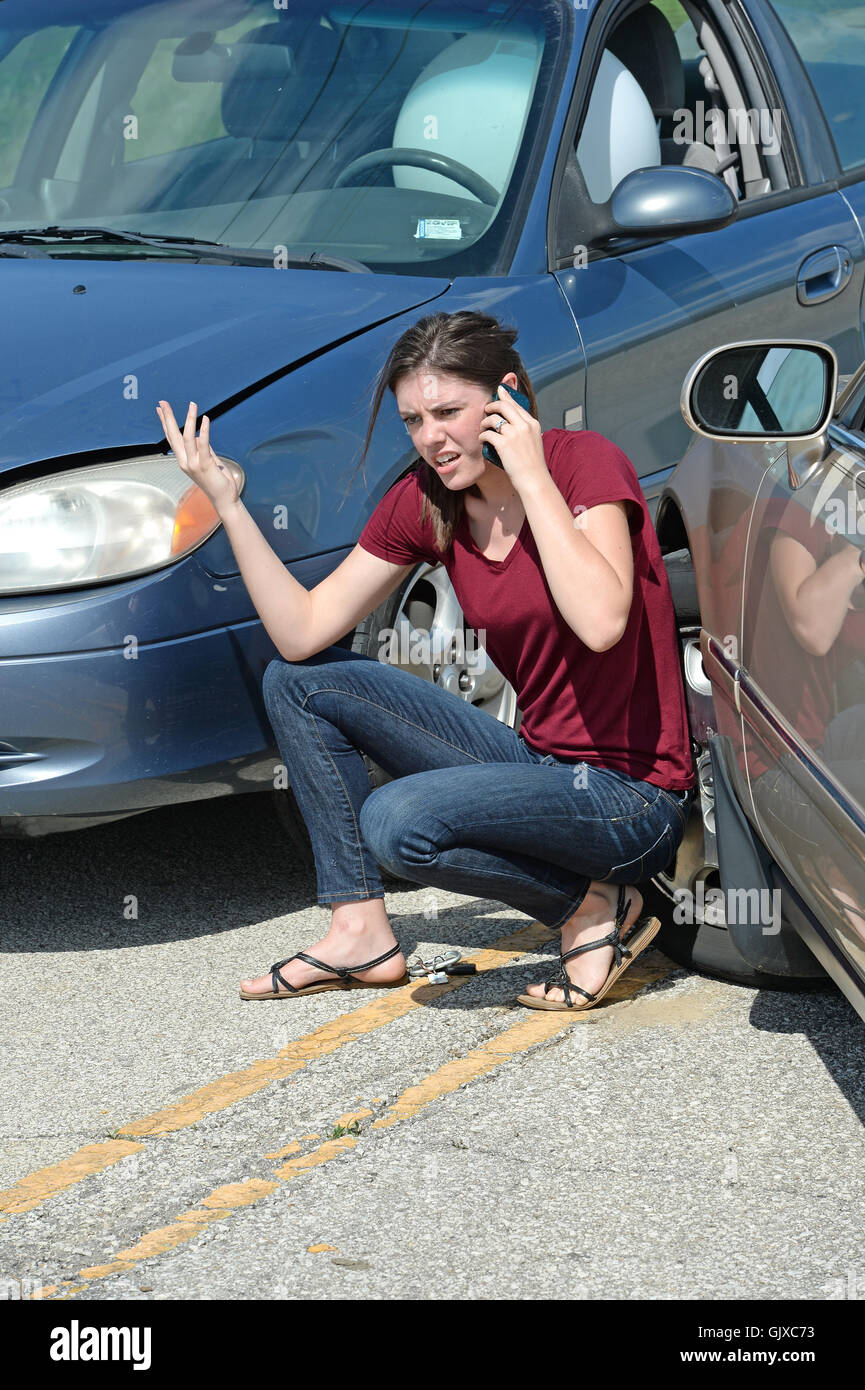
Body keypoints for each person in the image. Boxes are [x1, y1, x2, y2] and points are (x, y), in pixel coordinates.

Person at [156, 311, 695, 1011]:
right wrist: (227, 504)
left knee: (397, 822)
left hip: (630, 799)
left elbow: (599, 622)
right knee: (298, 682)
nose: (431, 438)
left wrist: (530, 480)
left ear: (507, 398)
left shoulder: (581, 463)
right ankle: (359, 930)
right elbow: (302, 632)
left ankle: (591, 908)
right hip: (539, 768)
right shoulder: (427, 500)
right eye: (413, 420)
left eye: (448, 412)